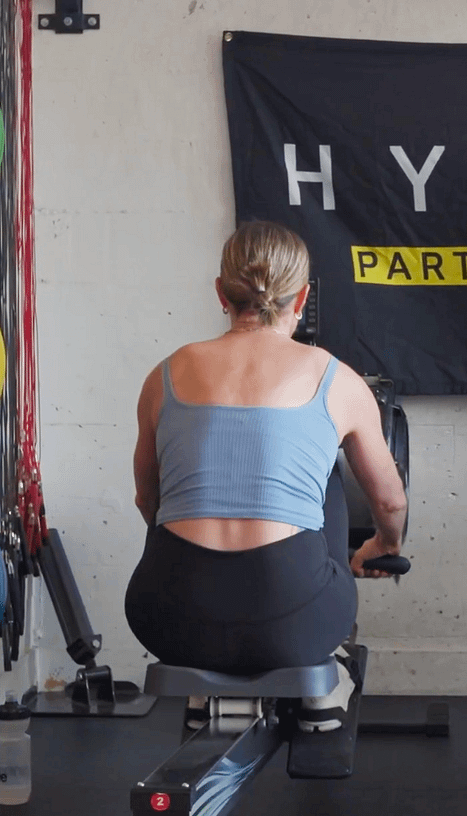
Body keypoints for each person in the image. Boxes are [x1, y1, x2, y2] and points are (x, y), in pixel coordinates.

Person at [125, 220, 407, 731]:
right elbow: (389, 504)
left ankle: (200, 685)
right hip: (295, 622)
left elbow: (149, 500)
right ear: (301, 298)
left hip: (166, 618)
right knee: (326, 480)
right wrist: (381, 547)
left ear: (221, 294)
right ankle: (324, 692)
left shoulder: (163, 375)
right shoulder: (334, 378)